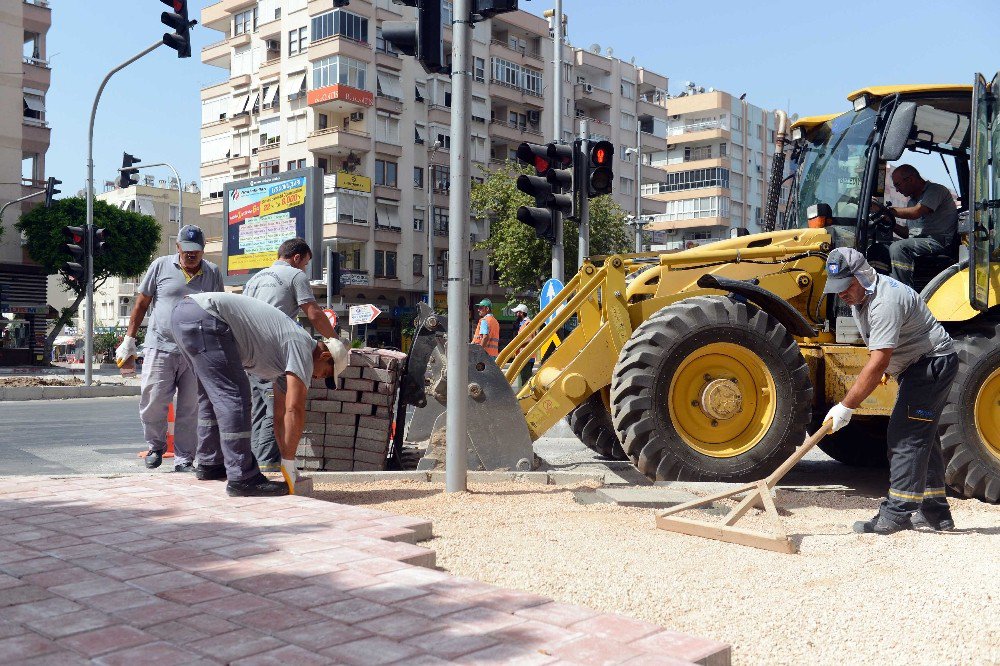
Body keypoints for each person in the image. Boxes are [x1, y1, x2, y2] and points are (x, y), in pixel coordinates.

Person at [822, 247, 957, 534]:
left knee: (905, 435)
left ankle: (897, 513)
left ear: (861, 275)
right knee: (923, 435)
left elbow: (879, 358)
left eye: (846, 286)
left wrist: (846, 406)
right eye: (837, 288)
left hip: (931, 365)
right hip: (920, 365)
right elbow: (882, 354)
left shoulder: (884, 301)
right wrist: (887, 368)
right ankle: (935, 512)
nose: (842, 293)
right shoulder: (864, 298)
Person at [170, 291, 348, 497]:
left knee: (212, 397)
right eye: (325, 373)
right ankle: (242, 478)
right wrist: (289, 461)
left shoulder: (286, 362)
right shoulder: (301, 345)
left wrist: (286, 460)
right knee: (235, 396)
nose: (318, 379)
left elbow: (280, 415)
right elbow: (295, 409)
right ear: (325, 356)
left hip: (185, 314)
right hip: (207, 317)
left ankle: (211, 463)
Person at [116, 225, 223, 472]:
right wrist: (129, 340)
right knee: (153, 399)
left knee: (190, 407)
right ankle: (155, 446)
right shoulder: (160, 266)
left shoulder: (213, 273)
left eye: (196, 250)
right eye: (186, 250)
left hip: (197, 350)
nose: (191, 255)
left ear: (203, 250)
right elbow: (142, 303)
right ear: (178, 248)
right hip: (160, 346)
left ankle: (185, 458)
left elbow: (218, 310)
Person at [242, 238, 336, 472]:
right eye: (305, 263)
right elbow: (313, 312)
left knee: (260, 409)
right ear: (297, 258)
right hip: (274, 351)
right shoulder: (296, 276)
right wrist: (335, 341)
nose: (304, 268)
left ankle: (256, 465)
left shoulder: (255, 278)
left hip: (249, 352)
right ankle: (269, 467)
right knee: (278, 409)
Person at [883, 165, 958, 287]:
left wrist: (887, 211)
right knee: (880, 249)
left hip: (938, 242)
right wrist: (891, 224)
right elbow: (909, 233)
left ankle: (903, 292)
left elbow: (916, 212)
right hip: (921, 242)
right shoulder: (912, 201)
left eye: (898, 184)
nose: (897, 190)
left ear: (910, 180)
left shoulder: (935, 191)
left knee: (898, 248)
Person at [512, 303, 535, 386]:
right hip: (522, 356)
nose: (515, 314)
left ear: (521, 313)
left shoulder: (528, 323)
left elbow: (529, 339)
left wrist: (517, 345)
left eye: (517, 312)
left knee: (526, 381)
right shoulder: (522, 324)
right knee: (523, 380)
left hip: (526, 356)